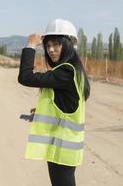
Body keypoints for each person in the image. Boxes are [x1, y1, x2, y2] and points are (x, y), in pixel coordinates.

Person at [18, 19, 90, 186]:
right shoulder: (73, 70)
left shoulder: (66, 71)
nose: (51, 49)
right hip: (63, 148)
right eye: (48, 45)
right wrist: (42, 111)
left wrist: (30, 46)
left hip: (63, 149)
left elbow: (25, 77)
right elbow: (67, 103)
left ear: (69, 44)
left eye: (56, 44)